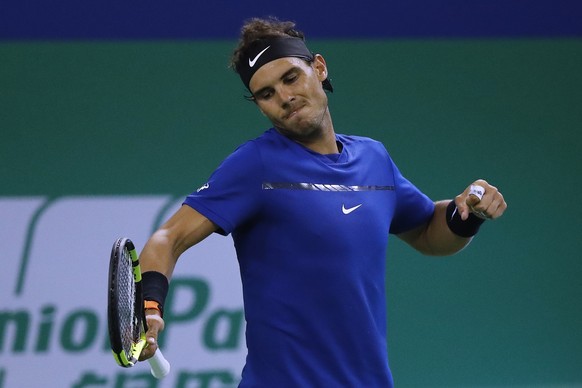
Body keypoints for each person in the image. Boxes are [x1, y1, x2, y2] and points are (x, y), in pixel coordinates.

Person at [138, 17, 507, 387]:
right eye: (266, 94)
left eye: (290, 78)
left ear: (319, 67)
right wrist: (150, 308)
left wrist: (465, 215)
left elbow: (429, 233)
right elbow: (168, 238)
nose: (284, 97)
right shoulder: (257, 165)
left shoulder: (374, 159)